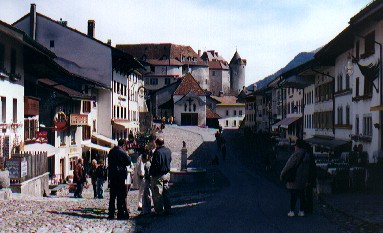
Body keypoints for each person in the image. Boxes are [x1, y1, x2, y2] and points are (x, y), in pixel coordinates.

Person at [280, 139, 310, 217]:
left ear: (297, 146)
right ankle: (301, 211)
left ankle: (292, 211)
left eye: (295, 146)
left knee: (293, 196)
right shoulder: (307, 155)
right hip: (303, 179)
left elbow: (288, 165)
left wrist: (282, 174)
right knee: (302, 195)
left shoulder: (296, 155)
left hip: (295, 178)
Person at [107, 139, 132, 220]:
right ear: (123, 145)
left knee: (112, 196)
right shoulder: (122, 152)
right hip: (120, 175)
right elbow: (128, 161)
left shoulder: (111, 151)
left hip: (112, 175)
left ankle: (111, 213)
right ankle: (120, 213)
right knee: (120, 196)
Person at [150, 137, 172, 215]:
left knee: (157, 194)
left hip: (158, 175)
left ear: (157, 143)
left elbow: (155, 164)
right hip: (167, 174)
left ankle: (159, 211)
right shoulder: (168, 151)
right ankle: (168, 209)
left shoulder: (157, 152)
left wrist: (151, 173)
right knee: (166, 192)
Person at [141, 151, 152, 215]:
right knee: (146, 195)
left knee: (147, 195)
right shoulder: (149, 163)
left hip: (148, 181)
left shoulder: (147, 165)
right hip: (148, 180)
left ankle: (147, 209)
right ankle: (147, 208)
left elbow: (148, 174)